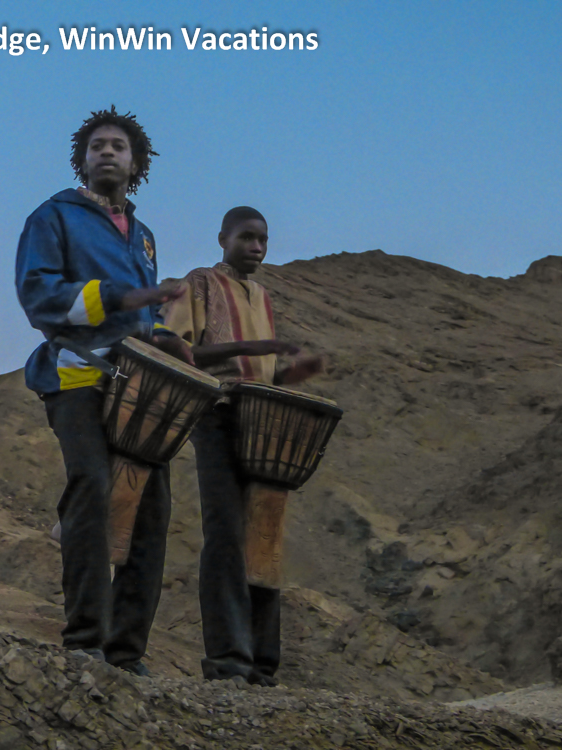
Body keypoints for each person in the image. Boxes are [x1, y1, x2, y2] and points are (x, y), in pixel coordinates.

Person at [15, 106, 190, 675]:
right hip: (76, 376)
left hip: (136, 386)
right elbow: (39, 297)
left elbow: (145, 316)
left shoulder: (144, 238)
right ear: (83, 160)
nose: (107, 152)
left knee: (152, 507)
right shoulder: (53, 217)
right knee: (91, 485)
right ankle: (85, 638)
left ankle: (126, 651)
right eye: (97, 146)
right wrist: (111, 297)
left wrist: (167, 338)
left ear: (136, 163)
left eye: (118, 146)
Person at [163, 206, 324, 686]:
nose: (256, 247)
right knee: (226, 534)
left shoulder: (262, 297)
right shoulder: (199, 283)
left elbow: (264, 372)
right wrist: (250, 350)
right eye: (246, 237)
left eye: (263, 240)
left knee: (263, 535)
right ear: (223, 239)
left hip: (261, 420)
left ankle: (262, 664)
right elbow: (175, 347)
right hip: (217, 414)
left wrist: (292, 373)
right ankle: (228, 659)